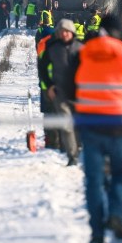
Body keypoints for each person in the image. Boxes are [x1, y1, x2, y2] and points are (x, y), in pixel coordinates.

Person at [67, 15, 122, 243]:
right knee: (119, 173)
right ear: (118, 31)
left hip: (90, 125)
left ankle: (96, 230)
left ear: (102, 29)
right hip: (119, 125)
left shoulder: (83, 53)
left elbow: (67, 86)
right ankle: (115, 214)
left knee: (93, 179)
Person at [40, 19, 82, 164]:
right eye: (61, 31)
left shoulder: (80, 48)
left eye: (67, 31)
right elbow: (43, 68)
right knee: (66, 124)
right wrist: (49, 86)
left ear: (72, 32)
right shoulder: (52, 48)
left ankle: (78, 147)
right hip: (60, 92)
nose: (64, 34)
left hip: (78, 93)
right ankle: (72, 155)